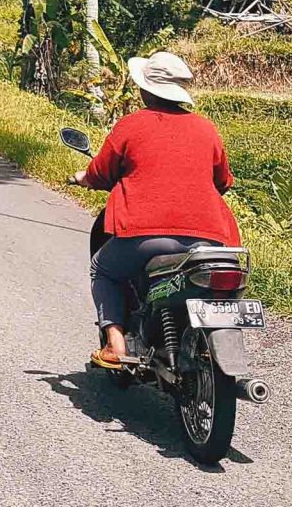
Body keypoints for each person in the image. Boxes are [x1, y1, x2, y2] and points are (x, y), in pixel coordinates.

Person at [69, 51, 238, 369]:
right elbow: (223, 181)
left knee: (102, 270)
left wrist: (84, 177)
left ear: (146, 90)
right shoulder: (207, 129)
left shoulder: (131, 125)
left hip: (144, 235)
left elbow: (102, 172)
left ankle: (116, 344)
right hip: (211, 240)